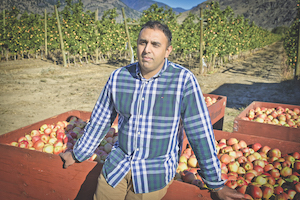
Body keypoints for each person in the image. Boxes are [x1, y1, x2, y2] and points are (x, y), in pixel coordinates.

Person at [60, 20, 245, 200]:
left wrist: (215, 183)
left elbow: (200, 133)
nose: (147, 49)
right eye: (143, 42)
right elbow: (101, 120)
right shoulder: (119, 77)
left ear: (167, 51)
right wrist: (77, 154)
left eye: (155, 44)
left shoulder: (182, 81)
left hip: (153, 173)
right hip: (117, 166)